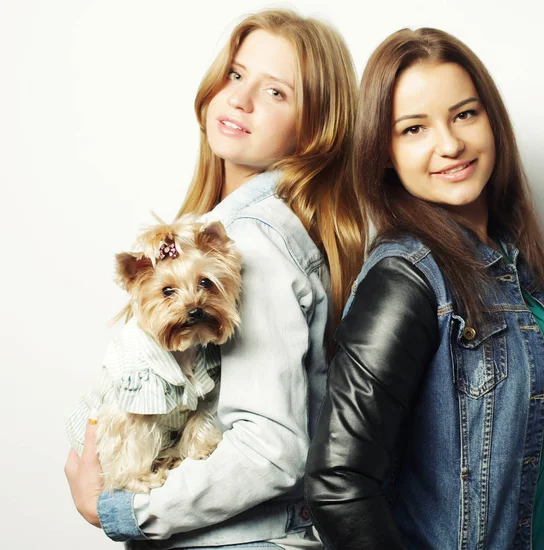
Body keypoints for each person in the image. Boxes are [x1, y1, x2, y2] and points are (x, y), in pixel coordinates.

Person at [64, 9, 365, 549]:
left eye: (277, 92)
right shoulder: (229, 229)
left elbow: (270, 449)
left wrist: (120, 508)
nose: (241, 99)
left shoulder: (254, 241)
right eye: (235, 74)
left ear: (316, 127)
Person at [305, 28, 544, 550]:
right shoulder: (405, 278)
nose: (450, 144)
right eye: (414, 129)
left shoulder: (514, 264)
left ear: (491, 120)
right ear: (384, 152)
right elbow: (337, 483)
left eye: (464, 114)